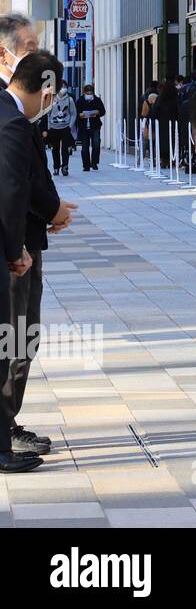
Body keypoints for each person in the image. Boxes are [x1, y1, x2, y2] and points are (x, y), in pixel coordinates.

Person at [1, 49, 72, 473]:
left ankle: (7, 424)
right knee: (13, 335)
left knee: (23, 335)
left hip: (26, 241)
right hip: (16, 247)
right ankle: (5, 428)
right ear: (46, 88)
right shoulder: (10, 120)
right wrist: (49, 213)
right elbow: (15, 185)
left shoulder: (14, 118)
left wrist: (52, 212)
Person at [44, 84, 76, 176]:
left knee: (65, 149)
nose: (62, 88)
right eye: (61, 86)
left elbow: (73, 113)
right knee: (55, 149)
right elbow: (48, 114)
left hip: (65, 127)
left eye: (64, 86)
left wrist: (70, 125)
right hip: (54, 128)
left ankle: (65, 167)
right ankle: (56, 168)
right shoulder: (51, 100)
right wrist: (49, 126)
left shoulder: (70, 100)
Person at [74, 82, 106, 171]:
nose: (88, 94)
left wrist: (97, 112)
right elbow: (75, 112)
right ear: (84, 92)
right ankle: (86, 165)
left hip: (95, 126)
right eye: (87, 93)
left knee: (96, 144)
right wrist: (80, 115)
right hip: (84, 127)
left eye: (90, 93)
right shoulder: (80, 101)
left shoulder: (97, 100)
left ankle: (94, 162)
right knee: (84, 147)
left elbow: (103, 111)